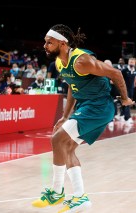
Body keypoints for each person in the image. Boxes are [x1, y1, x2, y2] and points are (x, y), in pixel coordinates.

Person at [31, 24, 134, 212]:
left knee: (57, 139)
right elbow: (72, 85)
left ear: (62, 43)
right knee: (67, 148)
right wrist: (64, 116)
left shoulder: (82, 60)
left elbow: (115, 73)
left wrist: (126, 98)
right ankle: (80, 198)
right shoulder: (60, 63)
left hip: (99, 107)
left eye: (49, 42)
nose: (45, 45)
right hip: (86, 106)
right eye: (45, 42)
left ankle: (56, 192)